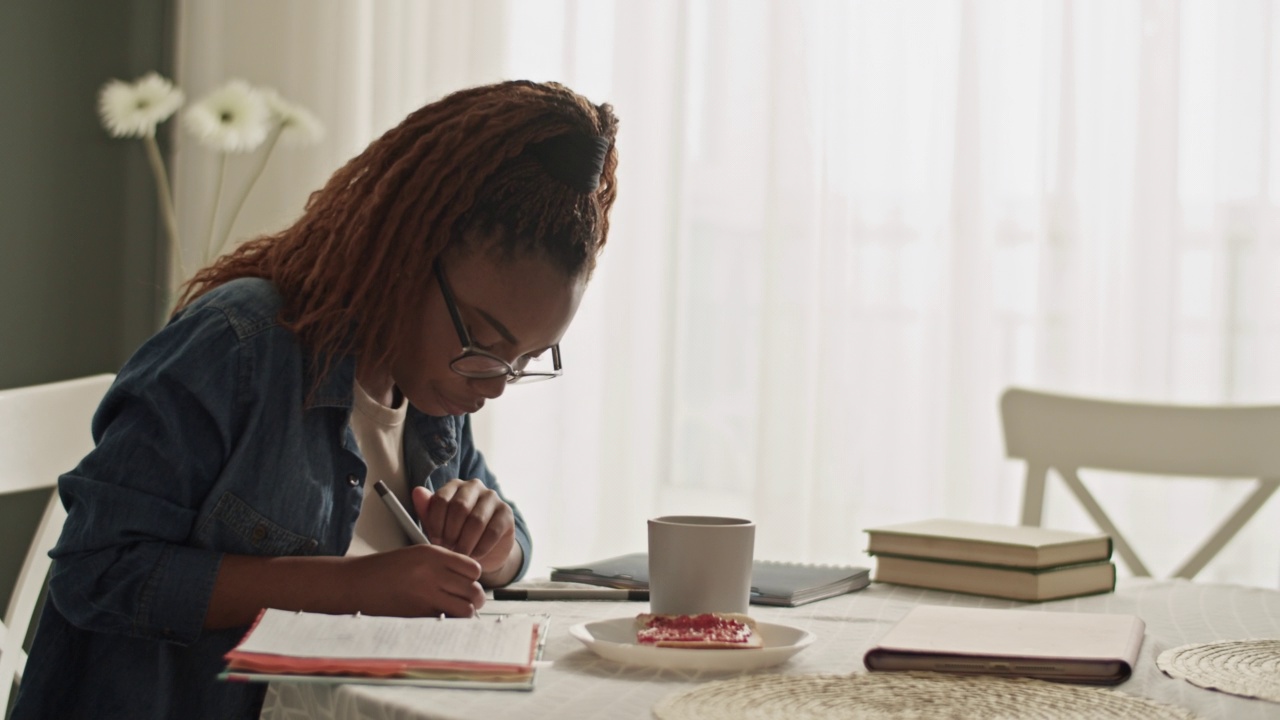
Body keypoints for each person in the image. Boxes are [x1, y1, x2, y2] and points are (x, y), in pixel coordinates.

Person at [12, 80, 619, 720]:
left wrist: (498, 544)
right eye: (487, 341)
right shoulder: (236, 347)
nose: (496, 383)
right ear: (406, 256)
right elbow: (98, 571)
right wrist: (349, 588)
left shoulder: (431, 392)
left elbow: (510, 538)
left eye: (525, 360)